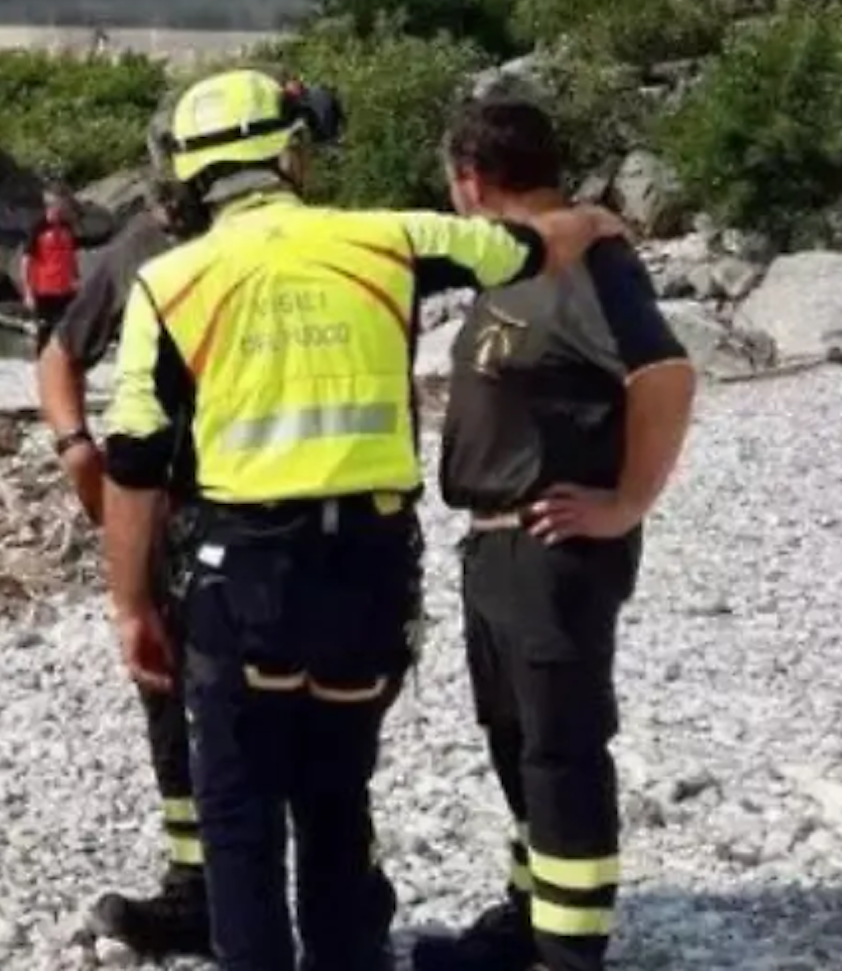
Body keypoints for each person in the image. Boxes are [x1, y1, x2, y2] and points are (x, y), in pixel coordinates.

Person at [99, 67, 629, 971]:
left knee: (239, 811)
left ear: (191, 177)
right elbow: (528, 247)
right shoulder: (386, 239)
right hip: (368, 570)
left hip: (241, 572)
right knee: (337, 796)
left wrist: (131, 605)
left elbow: (135, 467)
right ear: (291, 156)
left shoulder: (168, 283)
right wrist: (595, 222)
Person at [413, 100, 696, 971]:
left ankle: (571, 952)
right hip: (494, 541)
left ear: (470, 177)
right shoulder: (525, 258)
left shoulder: (587, 263)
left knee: (561, 746)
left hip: (555, 547)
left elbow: (668, 374)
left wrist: (624, 502)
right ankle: (530, 912)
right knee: (512, 738)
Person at [36, 165, 213, 957]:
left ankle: (340, 894)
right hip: (176, 509)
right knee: (169, 697)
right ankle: (195, 884)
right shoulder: (144, 248)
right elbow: (60, 354)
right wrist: (78, 450)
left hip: (281, 511)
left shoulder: (296, 241)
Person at [20, 187, 80, 351]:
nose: (64, 208)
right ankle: (42, 364)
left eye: (65, 204)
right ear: (51, 205)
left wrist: (76, 277)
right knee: (44, 331)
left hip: (66, 288)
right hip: (44, 289)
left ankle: (62, 365)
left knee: (67, 330)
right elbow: (26, 261)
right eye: (61, 204)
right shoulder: (38, 227)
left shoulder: (68, 227)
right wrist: (27, 292)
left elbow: (71, 256)